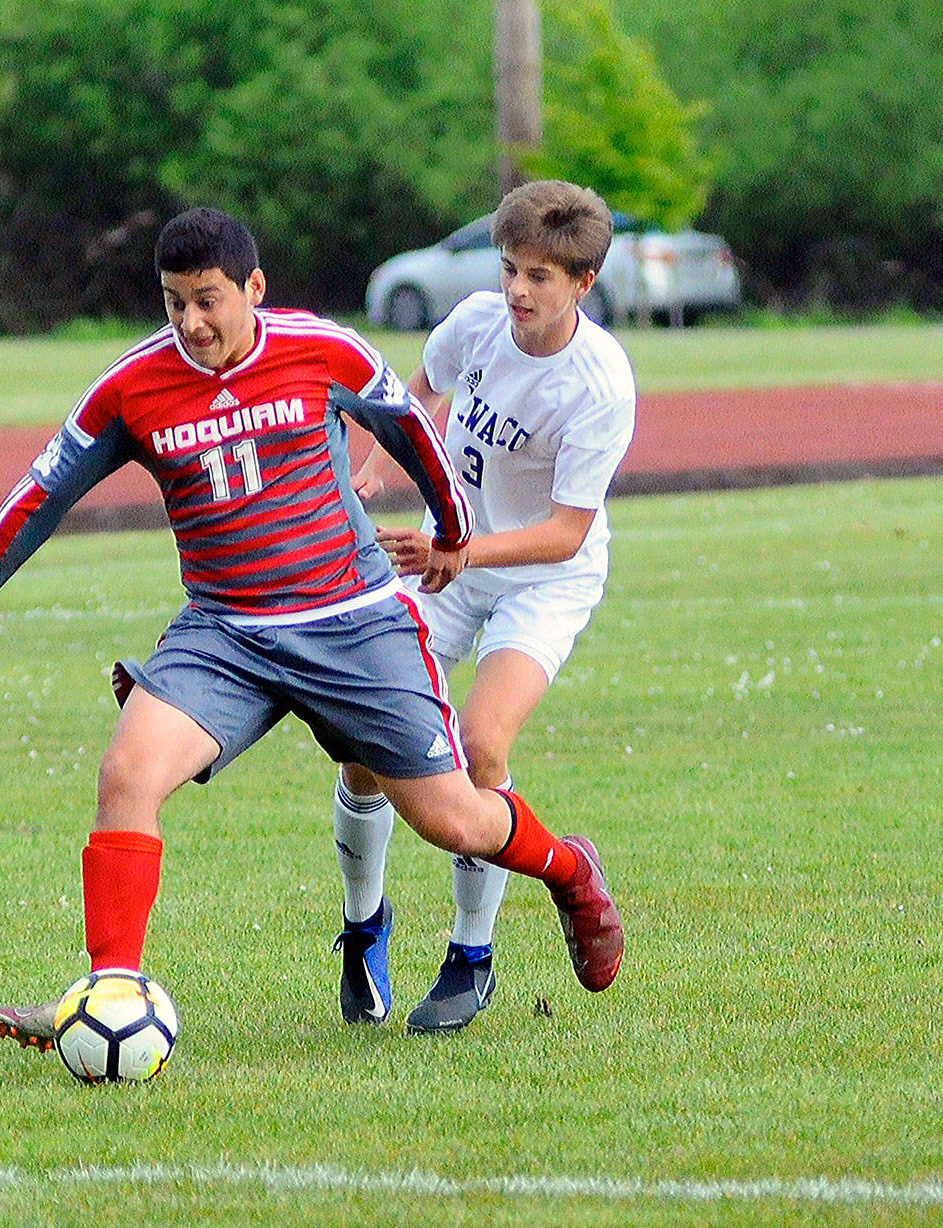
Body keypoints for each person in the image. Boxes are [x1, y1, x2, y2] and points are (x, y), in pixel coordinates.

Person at [0, 205, 623, 1053]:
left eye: (208, 300)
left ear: (254, 287)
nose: (190, 322)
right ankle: (109, 993)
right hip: (226, 634)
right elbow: (38, 496)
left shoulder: (324, 351)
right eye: (174, 302)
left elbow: (411, 429)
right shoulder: (132, 386)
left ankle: (567, 869)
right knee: (128, 772)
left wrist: (451, 534)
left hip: (353, 622)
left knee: (457, 820)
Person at [331, 179, 635, 1033]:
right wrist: (378, 464)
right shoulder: (474, 322)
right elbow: (416, 391)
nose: (517, 292)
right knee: (363, 745)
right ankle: (363, 928)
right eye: (510, 268)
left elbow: (567, 533)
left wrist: (456, 548)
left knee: (479, 746)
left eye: (540, 275)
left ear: (583, 283)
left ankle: (472, 957)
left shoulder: (599, 384)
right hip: (446, 563)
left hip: (539, 580)